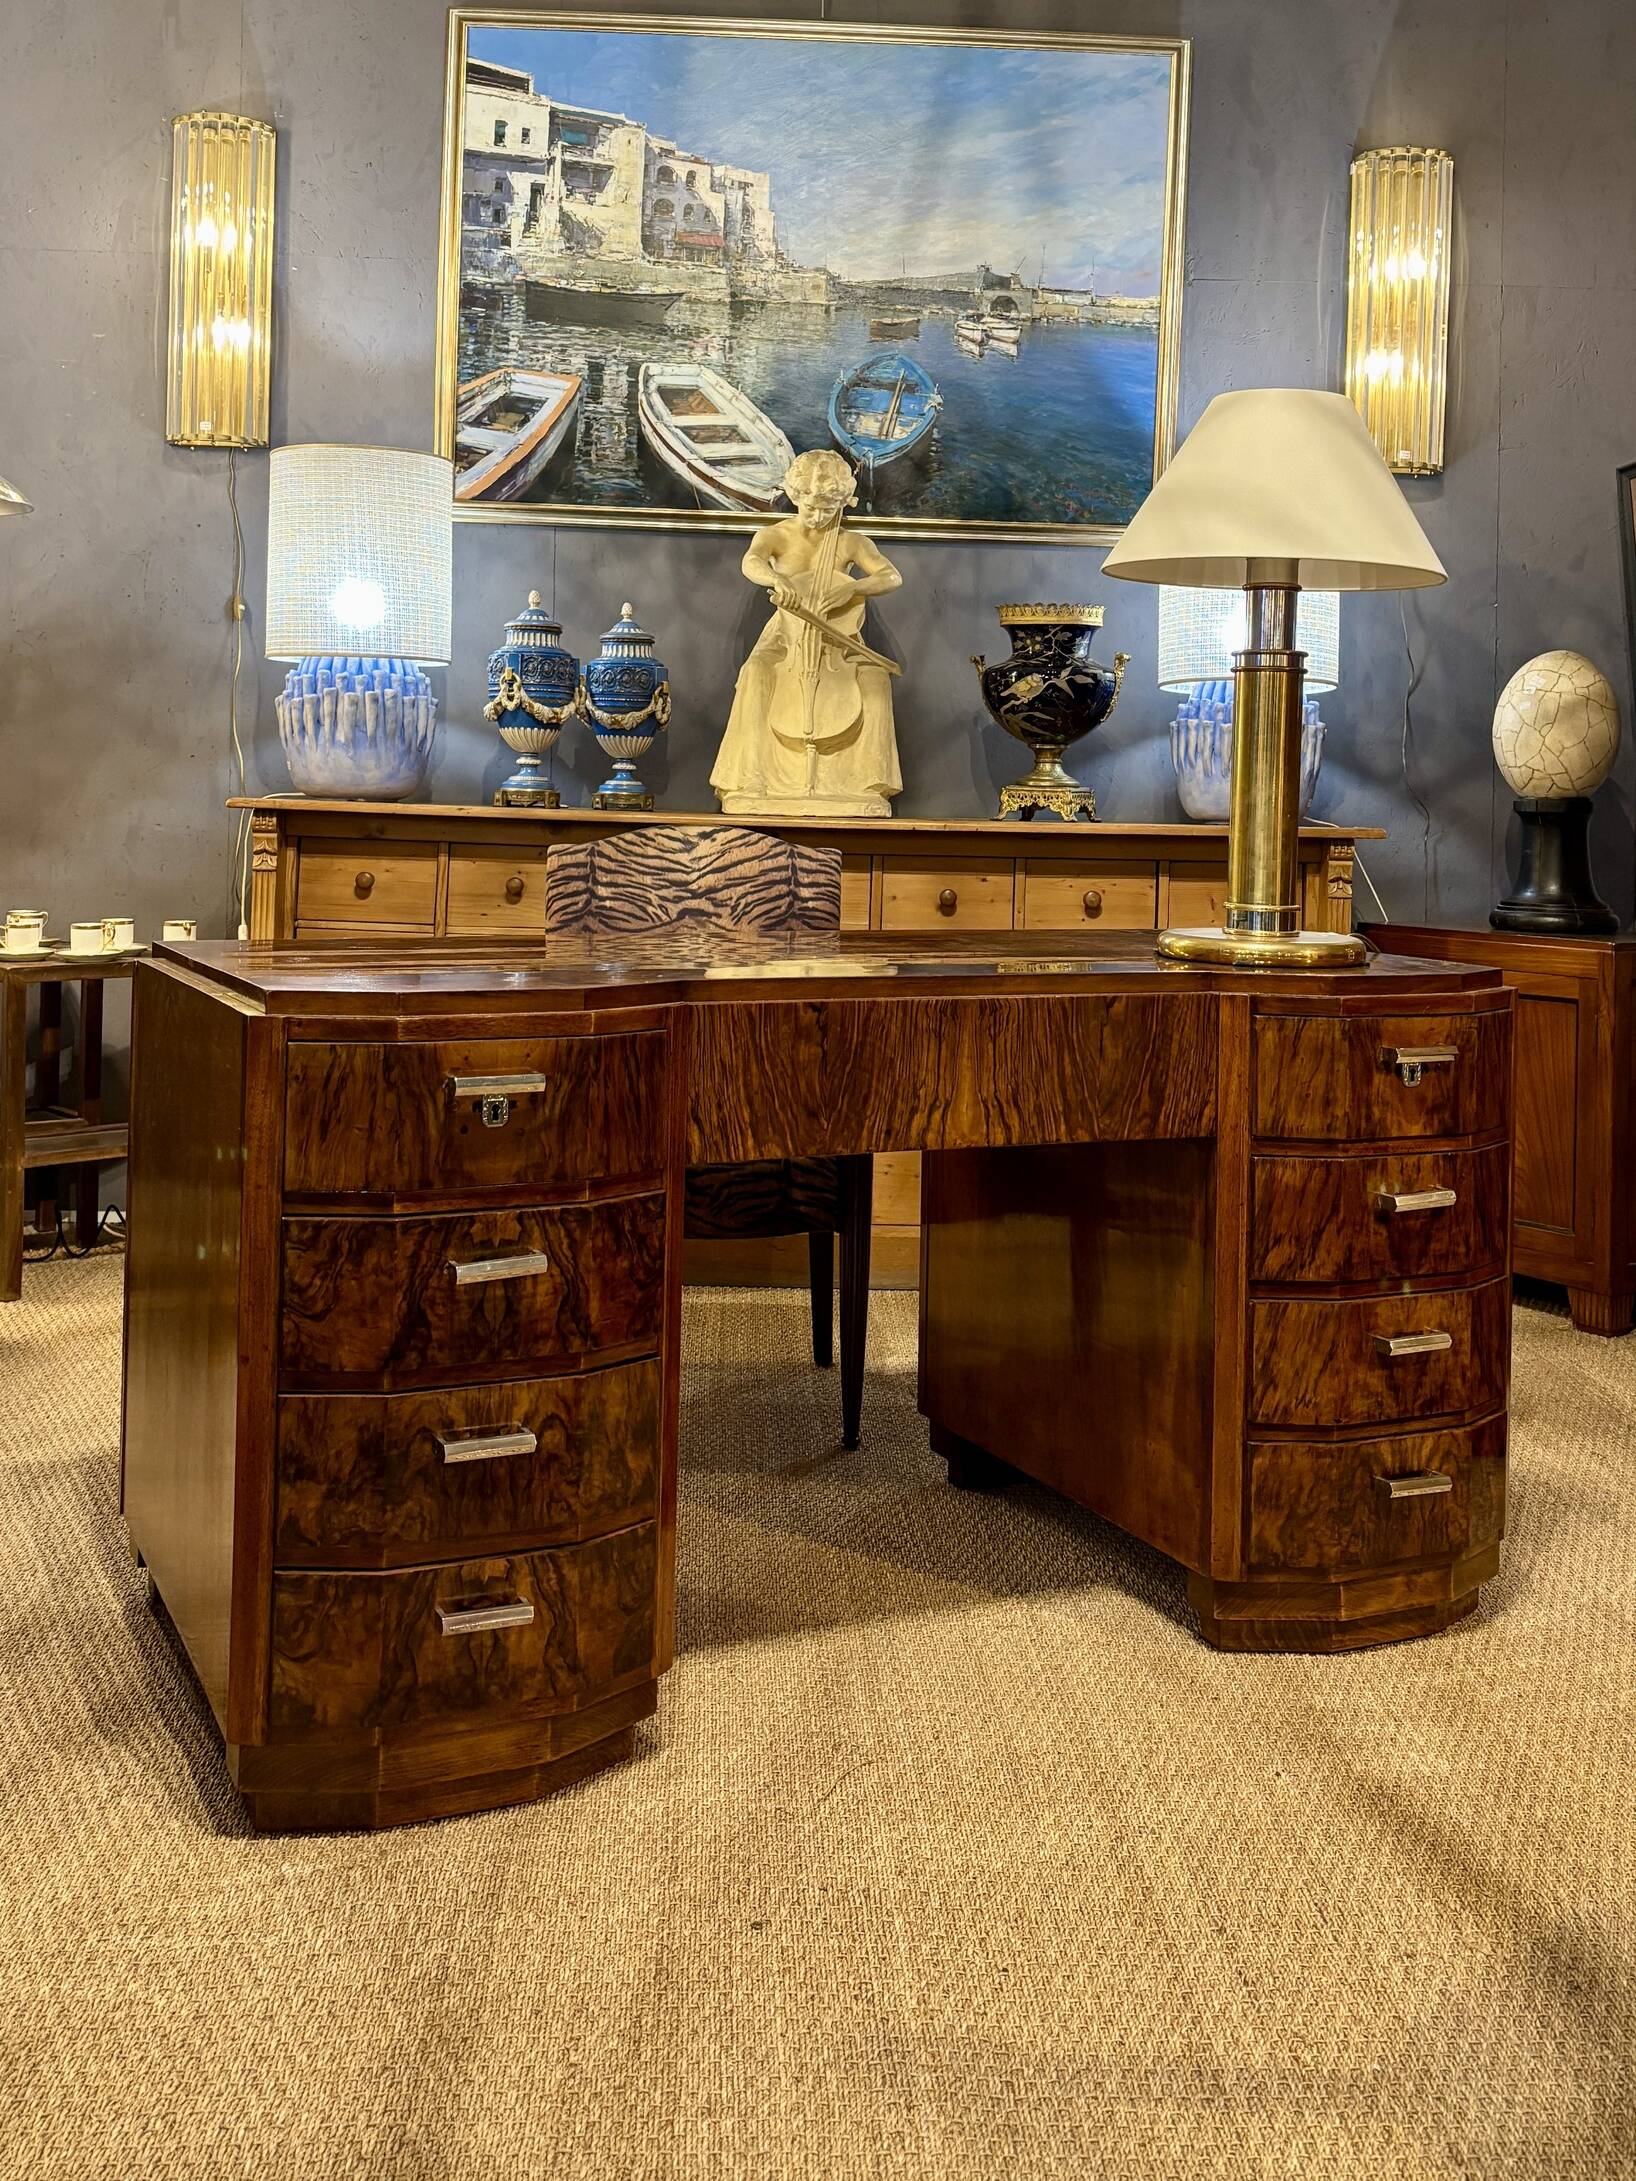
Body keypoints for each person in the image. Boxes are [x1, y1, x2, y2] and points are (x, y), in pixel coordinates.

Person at [710, 448, 904, 817]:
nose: (817, 517)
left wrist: (853, 588)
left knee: (877, 679)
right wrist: (775, 578)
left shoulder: (850, 541)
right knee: (754, 675)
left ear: (843, 502)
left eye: (828, 509)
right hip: (786, 634)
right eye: (810, 507)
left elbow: (891, 576)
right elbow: (752, 561)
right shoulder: (777, 534)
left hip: (837, 638)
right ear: (795, 496)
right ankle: (751, 778)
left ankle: (866, 782)